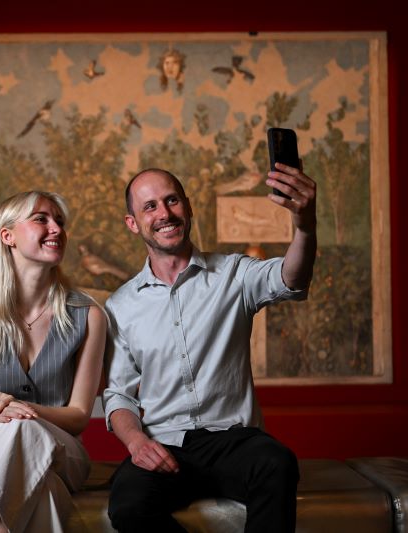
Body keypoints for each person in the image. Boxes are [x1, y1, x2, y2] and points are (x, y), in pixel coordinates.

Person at [103, 163, 317, 532]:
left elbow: (291, 278)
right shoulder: (120, 306)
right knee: (127, 504)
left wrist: (305, 224)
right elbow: (118, 395)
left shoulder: (234, 273)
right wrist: (137, 442)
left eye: (171, 201)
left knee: (277, 462)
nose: (164, 214)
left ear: (187, 206)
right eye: (150, 206)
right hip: (164, 443)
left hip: (235, 441)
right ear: (133, 223)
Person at [0, 191, 106, 532]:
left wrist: (19, 411)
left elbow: (77, 418)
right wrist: (6, 422)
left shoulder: (88, 316)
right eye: (41, 219)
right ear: (7, 236)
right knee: (36, 486)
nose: (56, 229)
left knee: (21, 431)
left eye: (60, 221)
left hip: (62, 451)